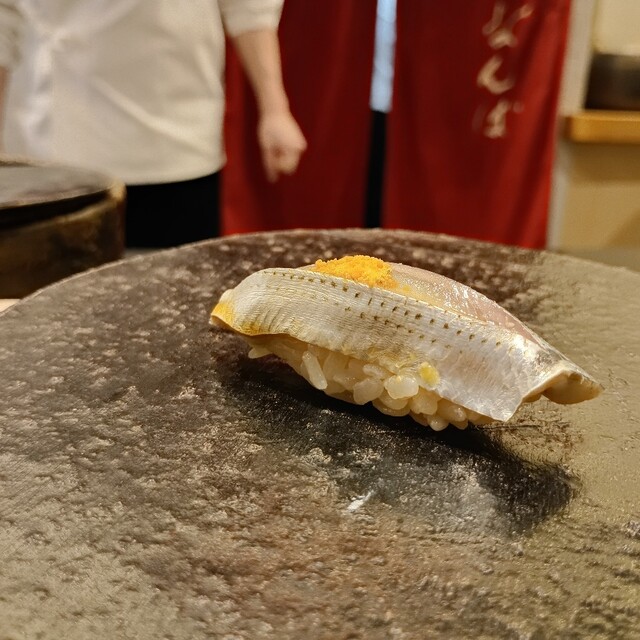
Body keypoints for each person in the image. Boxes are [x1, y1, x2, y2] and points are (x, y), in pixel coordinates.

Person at [0, 0, 306, 247]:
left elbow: (249, 7)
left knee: (178, 285)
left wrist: (275, 109)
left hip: (173, 141)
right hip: (53, 145)